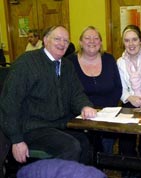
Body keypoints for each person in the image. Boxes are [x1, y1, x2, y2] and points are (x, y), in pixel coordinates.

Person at [0, 25, 97, 165]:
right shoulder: (26, 63)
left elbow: (76, 93)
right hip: (31, 128)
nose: (62, 43)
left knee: (86, 142)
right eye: (57, 39)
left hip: (58, 125)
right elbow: (9, 103)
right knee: (71, 146)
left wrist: (84, 106)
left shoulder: (67, 66)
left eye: (66, 40)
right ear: (45, 40)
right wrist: (16, 140)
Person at [67, 26, 122, 153]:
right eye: (87, 38)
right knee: (86, 149)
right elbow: (69, 92)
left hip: (108, 114)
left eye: (96, 38)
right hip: (81, 116)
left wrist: (107, 111)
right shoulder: (69, 62)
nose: (92, 41)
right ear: (80, 42)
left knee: (106, 146)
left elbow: (118, 88)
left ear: (101, 42)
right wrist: (83, 109)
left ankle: (103, 165)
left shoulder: (109, 59)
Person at [117, 24, 141, 177]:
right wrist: (129, 98)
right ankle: (131, 172)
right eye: (127, 41)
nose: (131, 44)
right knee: (126, 140)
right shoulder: (119, 62)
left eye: (134, 40)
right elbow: (119, 87)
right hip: (130, 101)